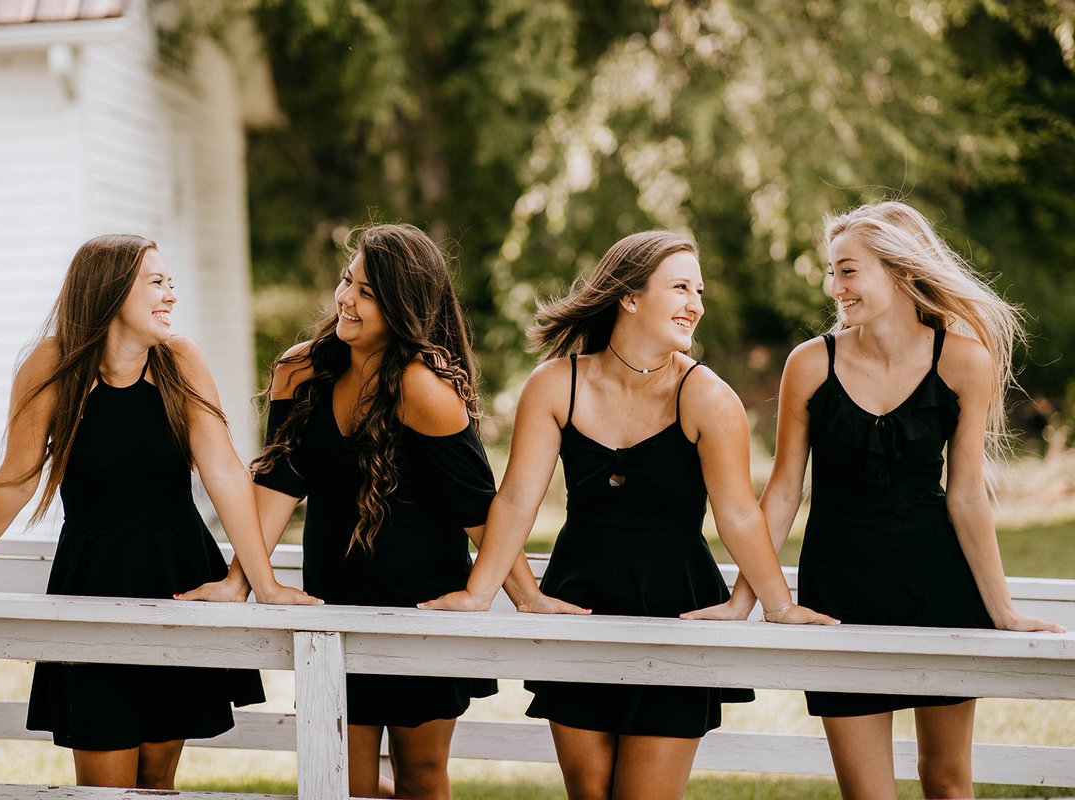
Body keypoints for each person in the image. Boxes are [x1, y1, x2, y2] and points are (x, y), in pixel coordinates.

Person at [0, 234, 317, 789]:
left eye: (171, 283)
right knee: (104, 783)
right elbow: (16, 482)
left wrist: (265, 584)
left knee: (157, 780)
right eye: (156, 283)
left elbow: (226, 473)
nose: (171, 296)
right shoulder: (53, 364)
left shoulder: (179, 359)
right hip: (90, 580)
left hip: (177, 577)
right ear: (112, 291)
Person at [423, 230, 836, 800]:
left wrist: (778, 605)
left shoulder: (708, 397)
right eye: (680, 287)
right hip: (580, 603)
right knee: (590, 794)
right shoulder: (554, 384)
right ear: (630, 297)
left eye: (700, 290)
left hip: (676, 611)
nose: (696, 303)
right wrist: (479, 592)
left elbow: (738, 515)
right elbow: (517, 499)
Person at [198, 223, 557, 800]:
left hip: (422, 612)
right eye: (347, 281)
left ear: (404, 307)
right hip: (332, 609)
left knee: (419, 780)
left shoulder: (424, 390)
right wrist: (240, 579)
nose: (345, 298)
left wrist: (526, 597)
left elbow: (481, 512)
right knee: (340, 782)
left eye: (367, 292)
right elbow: (276, 486)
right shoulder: (299, 371)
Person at [728, 200, 1065, 799]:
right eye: (832, 272)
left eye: (848, 270)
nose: (835, 287)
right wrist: (742, 601)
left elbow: (965, 497)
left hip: (939, 588)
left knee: (947, 781)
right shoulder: (809, 365)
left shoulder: (964, 360)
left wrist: (1004, 611)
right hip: (840, 592)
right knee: (868, 795)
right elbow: (782, 492)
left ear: (901, 271)